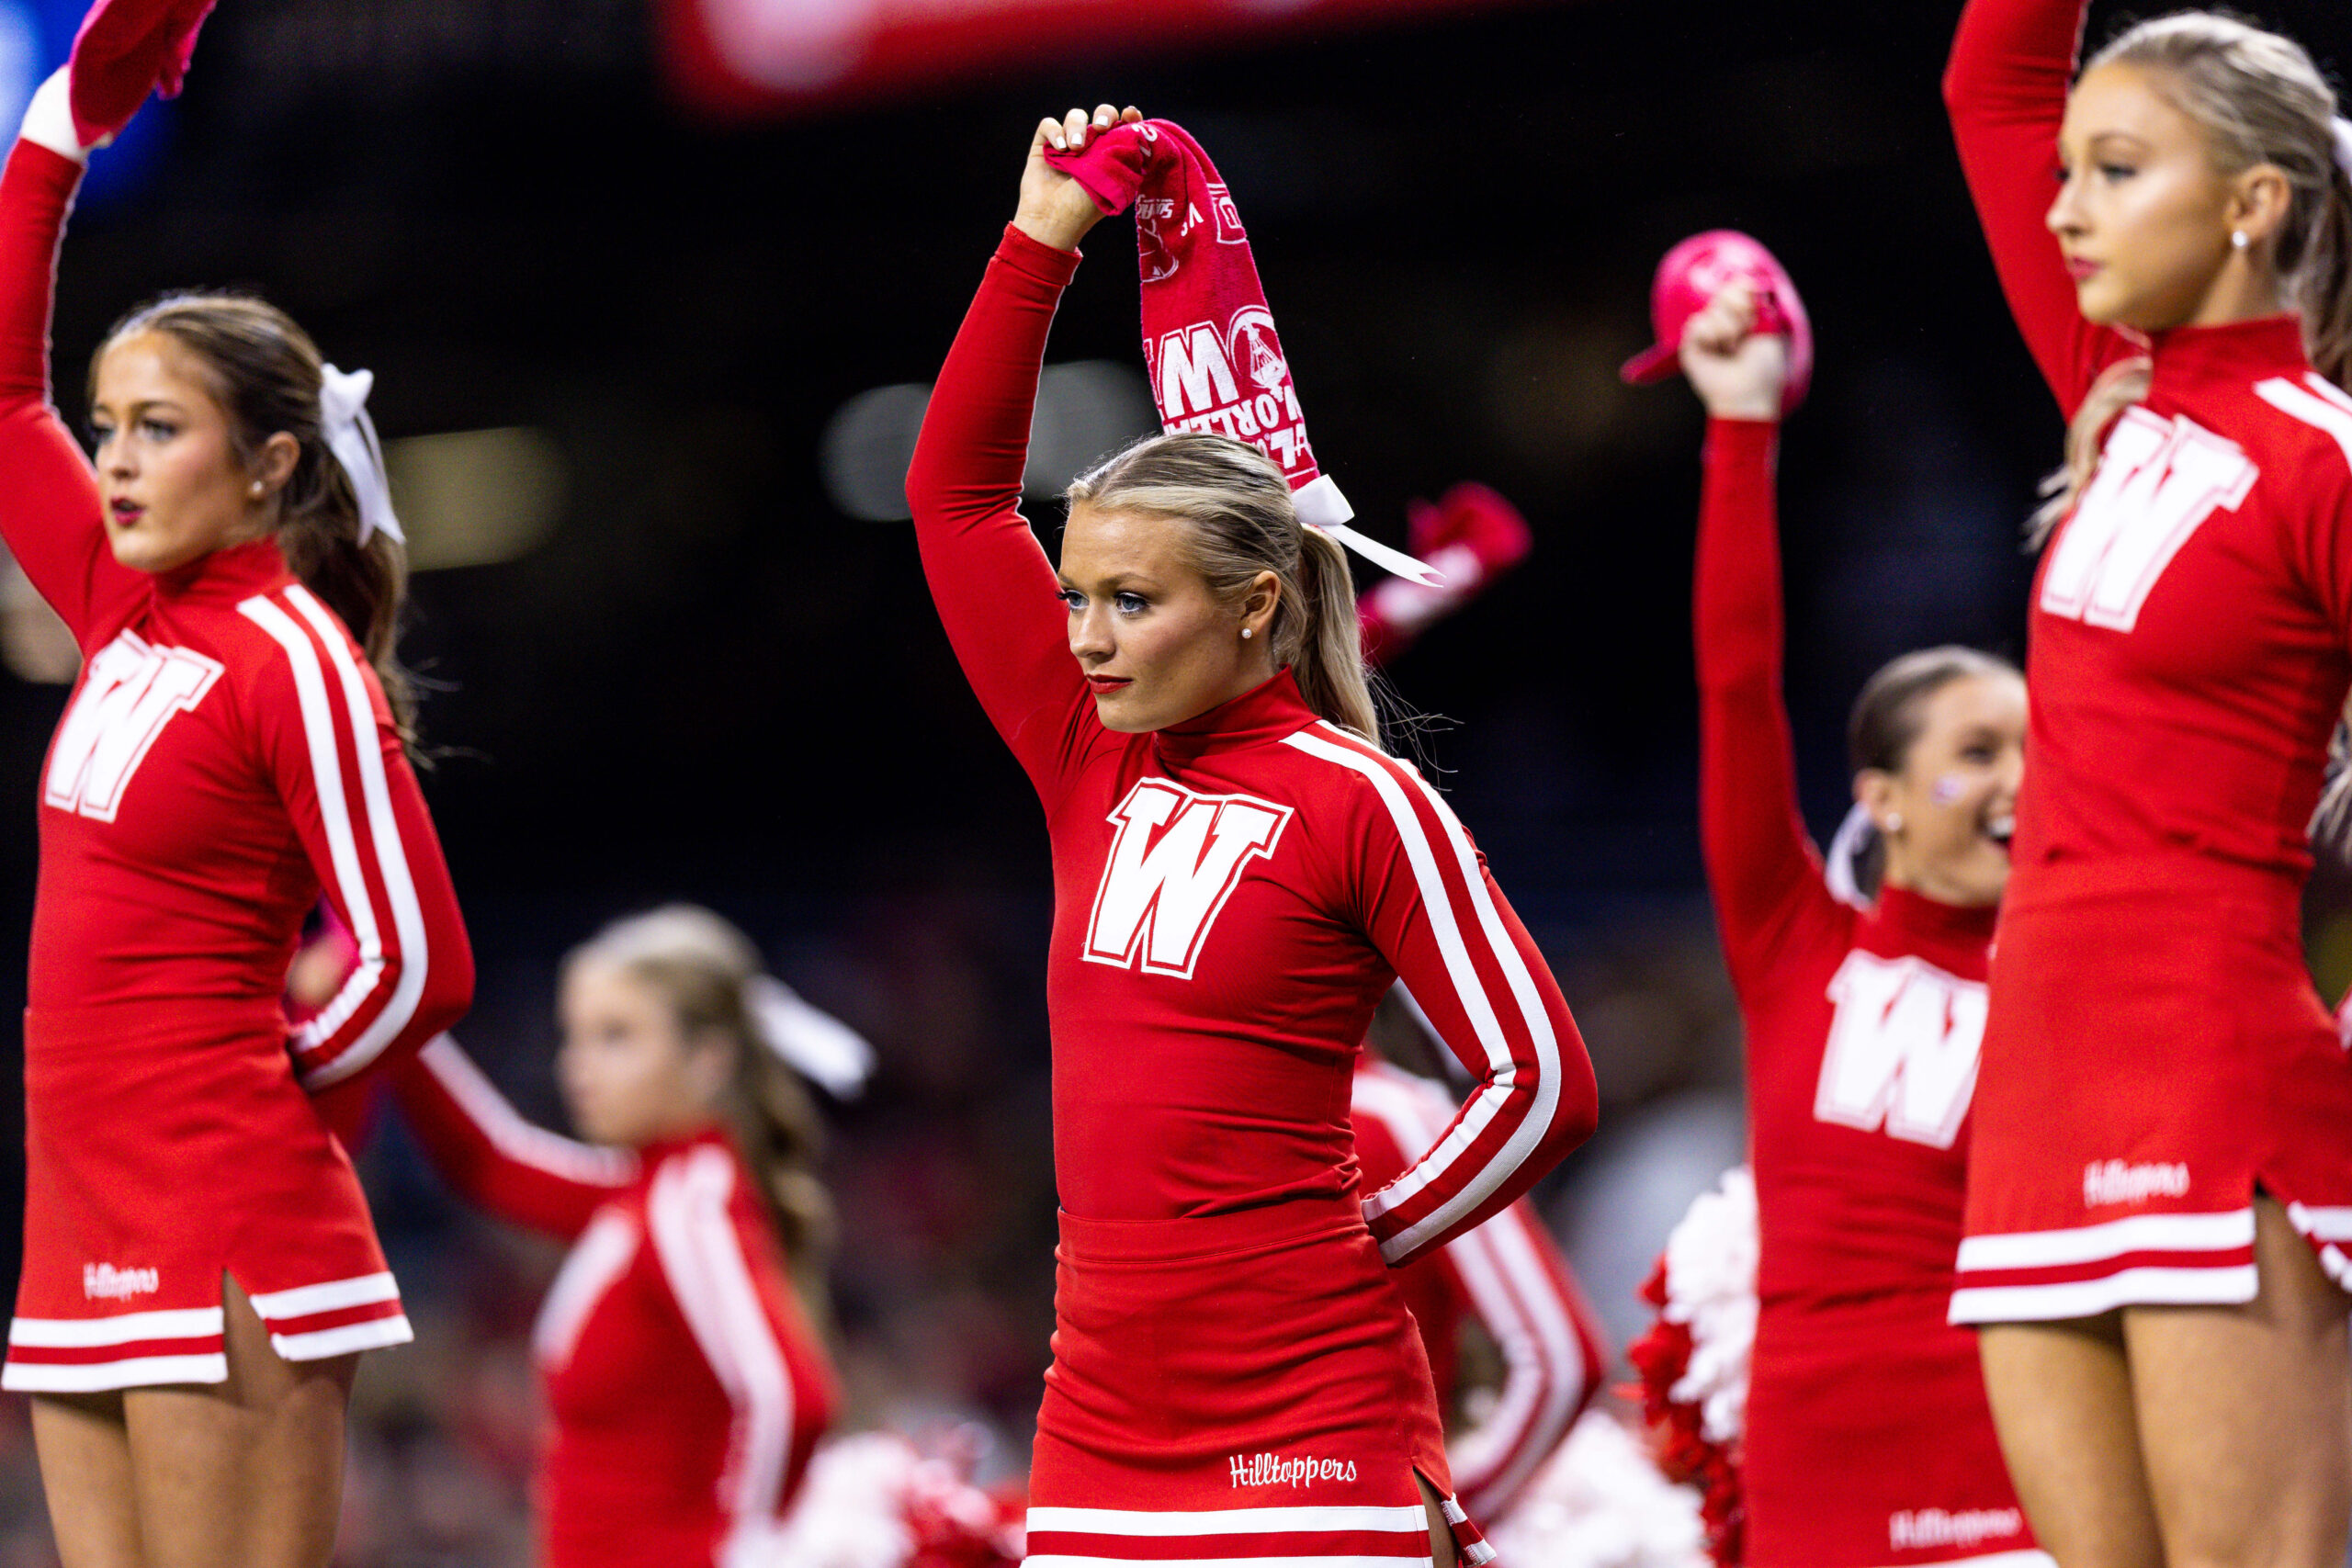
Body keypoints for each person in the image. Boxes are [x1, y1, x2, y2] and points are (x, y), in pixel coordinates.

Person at [902, 104, 1598, 1568]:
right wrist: (1038, 242)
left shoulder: (1365, 797)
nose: (1085, 636)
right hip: (1094, 1431)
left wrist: (1362, 1235)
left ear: (1256, 605)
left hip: (1317, 1427)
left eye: (1130, 600)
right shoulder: (1090, 754)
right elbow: (954, 500)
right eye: (1077, 595)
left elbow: (1539, 1080)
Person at [0, 39, 473, 1568]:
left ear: (270, 465)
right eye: (110, 424)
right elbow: (2, 389)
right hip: (77, 1214)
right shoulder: (123, 611)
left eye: (158, 429)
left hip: (220, 1218)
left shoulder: (291, 657)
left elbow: (417, 958)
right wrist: (62, 127)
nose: (116, 462)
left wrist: (264, 1082)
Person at [1945, 2, 2352, 1562]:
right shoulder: (2118, 396)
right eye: (2069, 172)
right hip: (2038, 1081)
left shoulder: (2319, 457)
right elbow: (1990, 78)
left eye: (2115, 172)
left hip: (2217, 1078)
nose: (2064, 209)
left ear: (2253, 205)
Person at [1668, 264, 2039, 1568]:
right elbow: (1736, 681)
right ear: (1876, 793)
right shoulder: (1794, 941)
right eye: (1977, 748)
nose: (2017, 780)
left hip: (2016, 1455)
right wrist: (1741, 428)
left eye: (2035, 749)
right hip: (1817, 1470)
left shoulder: (2074, 977)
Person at [387, 906, 842, 1568]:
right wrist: (384, 1000)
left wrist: (744, 1551)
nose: (580, 1066)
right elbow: (490, 1161)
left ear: (708, 1058)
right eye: (574, 1036)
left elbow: (789, 1395)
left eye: (617, 1036)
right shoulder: (647, 1189)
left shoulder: (690, 1204)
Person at [1351, 992, 1608, 1529]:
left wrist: (1447, 1524)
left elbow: (1560, 1360)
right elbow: (1562, 1359)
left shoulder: (1387, 1117)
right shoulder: (1390, 1113)